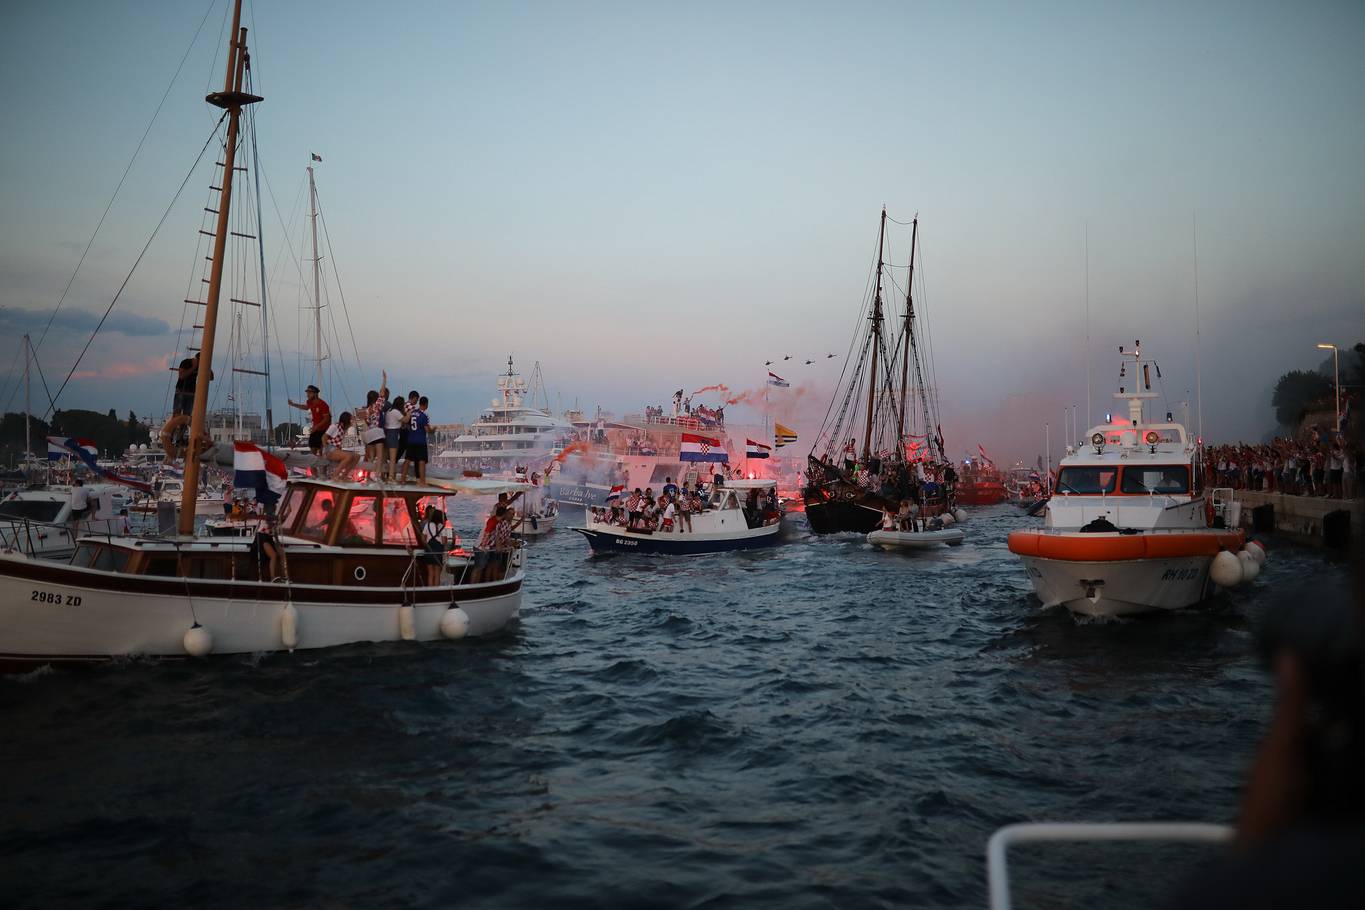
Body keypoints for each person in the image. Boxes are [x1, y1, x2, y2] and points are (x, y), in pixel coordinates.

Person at [288, 385, 332, 455]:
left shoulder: (323, 404)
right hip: (315, 429)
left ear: (315, 394)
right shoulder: (309, 402)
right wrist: (293, 404)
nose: (307, 395)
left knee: (320, 449)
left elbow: (327, 418)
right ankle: (314, 464)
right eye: (307, 393)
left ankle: (322, 462)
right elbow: (306, 407)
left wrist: (317, 426)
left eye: (309, 393)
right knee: (312, 448)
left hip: (324, 429)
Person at [323, 412, 360, 480]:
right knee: (348, 456)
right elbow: (324, 438)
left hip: (336, 450)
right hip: (330, 450)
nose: (351, 421)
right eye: (350, 419)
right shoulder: (334, 426)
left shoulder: (344, 429)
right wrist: (326, 450)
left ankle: (343, 476)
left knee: (357, 456)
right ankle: (335, 475)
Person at [402, 395, 431, 484]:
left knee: (408, 459)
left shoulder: (413, 412)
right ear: (426, 404)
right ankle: (422, 482)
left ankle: (403, 480)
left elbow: (406, 422)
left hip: (411, 440)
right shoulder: (424, 415)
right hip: (420, 441)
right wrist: (432, 430)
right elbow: (427, 430)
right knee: (421, 461)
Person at [420, 505, 447, 587]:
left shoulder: (427, 525)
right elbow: (444, 542)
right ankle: (436, 591)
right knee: (437, 574)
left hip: (429, 551)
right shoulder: (442, 527)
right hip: (438, 552)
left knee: (430, 573)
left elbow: (423, 540)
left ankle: (430, 591)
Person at [384, 395, 406, 481]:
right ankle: (391, 478)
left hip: (386, 434)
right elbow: (405, 420)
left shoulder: (389, 411)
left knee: (385, 458)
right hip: (393, 434)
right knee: (393, 459)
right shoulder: (397, 412)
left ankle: (383, 476)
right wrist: (409, 414)